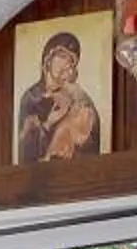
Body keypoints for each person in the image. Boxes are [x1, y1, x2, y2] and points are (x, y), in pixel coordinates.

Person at [16, 31, 102, 161]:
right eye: (62, 56)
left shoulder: (79, 98)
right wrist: (49, 123)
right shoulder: (31, 97)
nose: (66, 63)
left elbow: (91, 147)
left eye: (71, 60)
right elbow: (25, 154)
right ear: (48, 59)